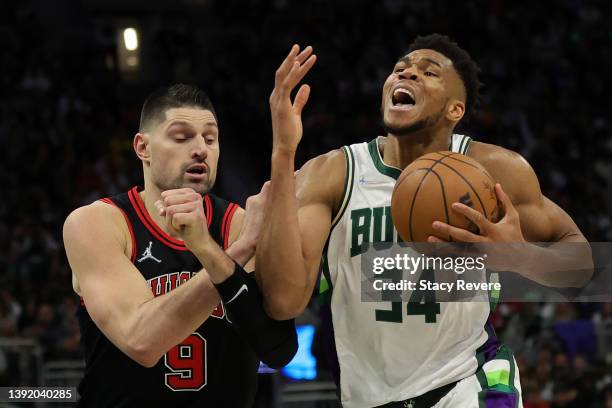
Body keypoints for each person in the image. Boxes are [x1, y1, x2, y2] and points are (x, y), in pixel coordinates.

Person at [257, 34, 593, 407]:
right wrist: (284, 152)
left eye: (428, 73)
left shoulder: (494, 172)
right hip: (369, 396)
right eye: (401, 69)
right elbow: (284, 302)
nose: (408, 74)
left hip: (467, 384)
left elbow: (582, 269)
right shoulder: (333, 174)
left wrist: (518, 257)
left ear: (455, 110)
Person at [63, 84, 297, 407]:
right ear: (142, 147)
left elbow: (279, 350)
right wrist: (236, 253)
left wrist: (210, 250)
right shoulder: (98, 224)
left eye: (210, 138)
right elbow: (142, 340)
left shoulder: (239, 225)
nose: (200, 148)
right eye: (182, 137)